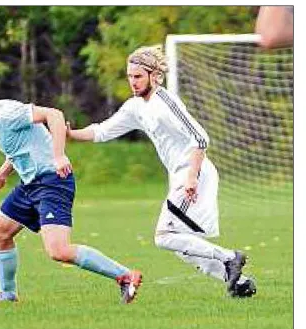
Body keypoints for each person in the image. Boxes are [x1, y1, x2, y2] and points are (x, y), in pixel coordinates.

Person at [66, 46, 256, 298]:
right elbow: (103, 130)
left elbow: (201, 138)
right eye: (130, 76)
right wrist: (71, 134)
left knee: (164, 236)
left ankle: (230, 257)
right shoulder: (135, 107)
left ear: (154, 76)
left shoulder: (166, 102)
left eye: (138, 76)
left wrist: (191, 176)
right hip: (181, 176)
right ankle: (239, 283)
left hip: (194, 173)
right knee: (180, 245)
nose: (133, 82)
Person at [0, 78, 142, 305]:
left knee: (59, 250)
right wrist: (2, 173)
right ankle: (7, 294)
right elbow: (21, 147)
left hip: (53, 181)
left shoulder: (5, 113)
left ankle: (125, 276)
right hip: (31, 184)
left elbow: (54, 115)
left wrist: (59, 155)